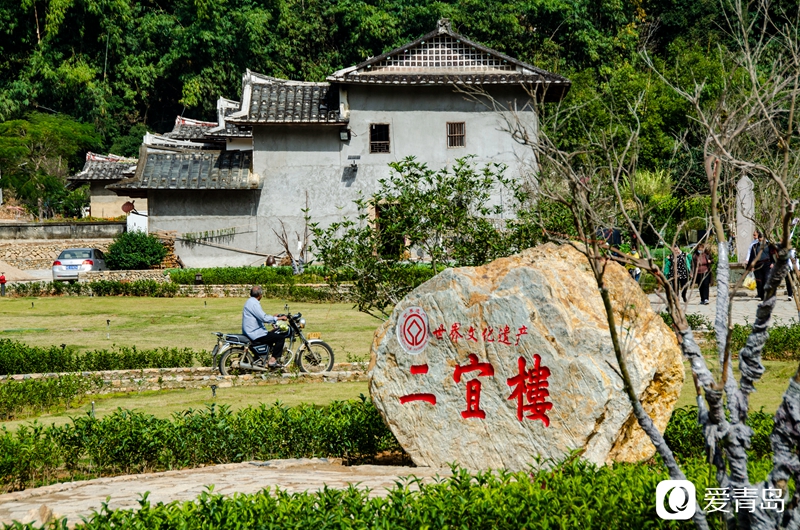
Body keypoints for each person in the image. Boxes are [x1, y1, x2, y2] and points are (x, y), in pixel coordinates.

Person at [242, 285, 288, 368]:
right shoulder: (254, 304)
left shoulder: (250, 302)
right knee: (280, 338)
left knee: (272, 333)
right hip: (255, 333)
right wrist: (279, 318)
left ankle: (263, 358)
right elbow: (264, 318)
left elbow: (260, 316)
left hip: (253, 330)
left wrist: (274, 317)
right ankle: (272, 361)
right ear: (260, 295)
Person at [747, 231, 773, 301]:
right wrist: (751, 266)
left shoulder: (769, 246)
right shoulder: (755, 247)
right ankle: (761, 295)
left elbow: (773, 255)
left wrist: (773, 263)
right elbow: (751, 257)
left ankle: (766, 295)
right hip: (758, 265)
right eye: (759, 240)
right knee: (759, 281)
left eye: (762, 240)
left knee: (766, 279)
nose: (760, 241)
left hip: (767, 264)